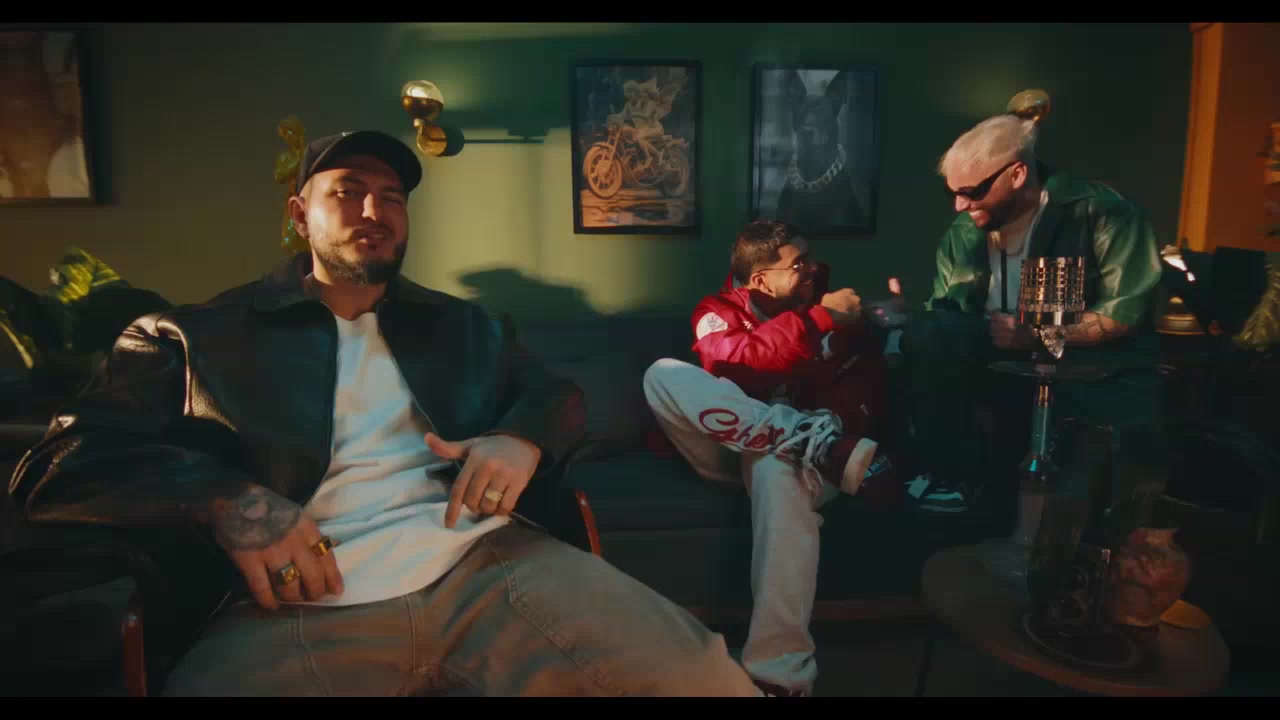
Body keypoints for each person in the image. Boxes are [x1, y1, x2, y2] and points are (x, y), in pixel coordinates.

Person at [8, 130, 761, 697]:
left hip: (488, 566)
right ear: (300, 215)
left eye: (392, 197)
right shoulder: (191, 336)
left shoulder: (465, 326)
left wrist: (520, 438)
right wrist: (229, 500)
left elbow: (559, 398)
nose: (375, 211)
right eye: (347, 192)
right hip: (292, 601)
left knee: (708, 678)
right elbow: (58, 466)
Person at [643, 219, 899, 697]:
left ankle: (780, 677)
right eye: (798, 264)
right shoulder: (717, 312)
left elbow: (865, 382)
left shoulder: (830, 308)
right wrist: (818, 320)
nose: (812, 269)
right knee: (661, 374)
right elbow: (731, 363)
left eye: (810, 258)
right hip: (728, 449)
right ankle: (803, 438)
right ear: (761, 280)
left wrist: (875, 333)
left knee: (776, 470)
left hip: (799, 458)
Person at [899, 113, 1164, 514]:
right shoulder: (964, 232)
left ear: (1018, 174)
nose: (960, 204)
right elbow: (947, 315)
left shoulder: (1103, 213)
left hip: (1089, 369)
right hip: (1001, 365)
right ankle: (952, 480)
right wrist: (909, 322)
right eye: (952, 192)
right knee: (929, 330)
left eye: (972, 191)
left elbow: (1123, 316)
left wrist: (1036, 335)